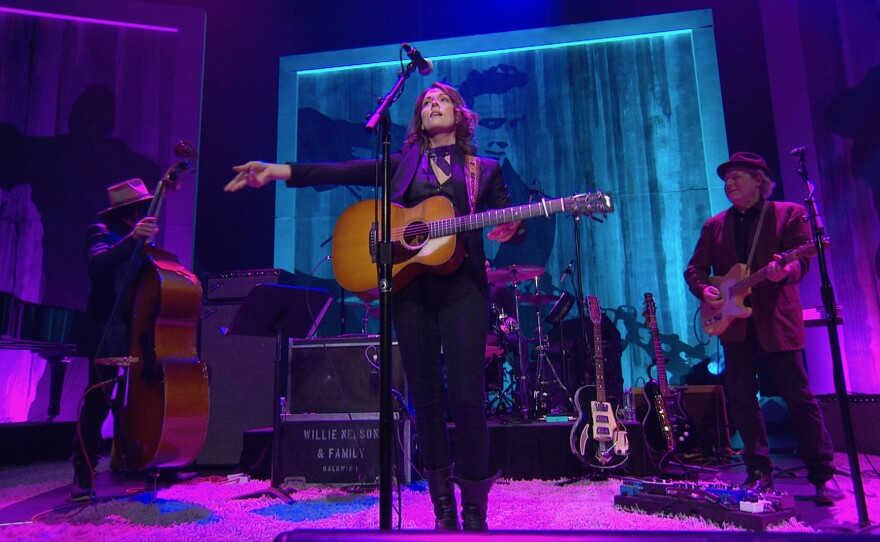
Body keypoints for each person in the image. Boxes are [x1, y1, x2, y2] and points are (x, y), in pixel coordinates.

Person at [224, 82, 522, 531]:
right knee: (425, 396)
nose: (433, 105)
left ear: (460, 114)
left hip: (464, 288)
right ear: (418, 119)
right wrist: (278, 170)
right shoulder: (402, 164)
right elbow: (340, 170)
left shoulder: (486, 168)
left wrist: (512, 227)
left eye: (441, 100)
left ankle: (475, 516)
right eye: (425, 103)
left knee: (467, 398)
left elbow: (509, 220)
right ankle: (444, 515)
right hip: (410, 287)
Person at [684, 152, 842, 505]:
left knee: (799, 398)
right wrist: (705, 289)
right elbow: (694, 269)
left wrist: (787, 271)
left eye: (736, 177)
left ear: (759, 180)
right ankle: (758, 473)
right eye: (726, 180)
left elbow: (801, 261)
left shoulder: (788, 214)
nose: (729, 184)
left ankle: (823, 474)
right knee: (741, 399)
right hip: (734, 324)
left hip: (775, 319)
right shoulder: (715, 225)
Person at [70, 178, 158, 501]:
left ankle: (133, 456)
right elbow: (97, 264)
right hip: (106, 329)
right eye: (141, 205)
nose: (146, 209)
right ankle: (83, 469)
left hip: (133, 329)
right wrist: (132, 240)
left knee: (127, 398)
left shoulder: (135, 235)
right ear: (130, 210)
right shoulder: (101, 230)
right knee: (97, 402)